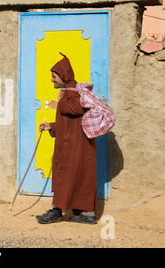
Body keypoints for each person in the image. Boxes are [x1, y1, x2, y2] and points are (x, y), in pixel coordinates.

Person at [36, 55, 97, 224]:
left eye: (54, 76)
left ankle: (58, 211)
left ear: (63, 75)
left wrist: (58, 104)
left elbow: (77, 108)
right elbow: (69, 123)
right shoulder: (68, 92)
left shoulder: (72, 92)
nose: (51, 79)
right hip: (72, 144)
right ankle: (82, 214)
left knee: (69, 175)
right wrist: (51, 126)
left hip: (74, 146)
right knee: (73, 176)